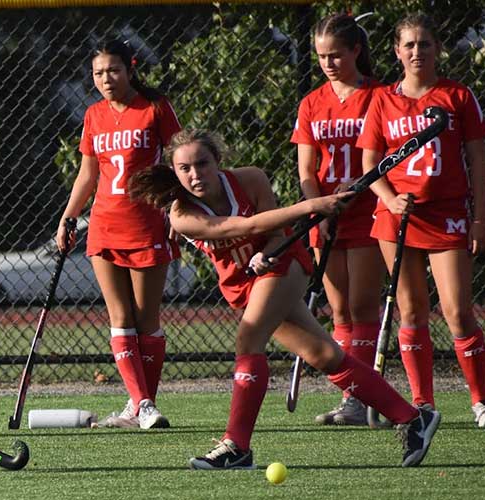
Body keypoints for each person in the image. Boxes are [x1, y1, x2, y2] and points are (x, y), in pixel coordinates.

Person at [128, 129, 440, 469]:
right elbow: (242, 227)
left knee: (248, 341)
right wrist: (312, 206)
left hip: (284, 266)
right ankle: (412, 418)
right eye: (184, 168)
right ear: (174, 171)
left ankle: (236, 447)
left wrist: (268, 252)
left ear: (217, 161)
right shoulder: (182, 215)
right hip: (242, 285)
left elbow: (275, 234)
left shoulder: (251, 179)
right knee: (324, 356)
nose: (195, 174)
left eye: (202, 164)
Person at [356, 13, 485, 428]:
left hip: (447, 214)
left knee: (457, 311)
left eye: (424, 43)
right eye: (409, 45)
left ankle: (483, 402)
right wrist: (389, 199)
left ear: (437, 48)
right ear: (397, 51)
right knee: (412, 311)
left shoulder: (457, 95)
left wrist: (479, 220)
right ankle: (422, 403)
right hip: (397, 217)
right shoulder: (382, 100)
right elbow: (371, 164)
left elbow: (477, 162)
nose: (417, 51)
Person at [57, 39, 182, 429]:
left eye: (113, 70)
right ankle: (142, 405)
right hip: (104, 225)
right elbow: (87, 175)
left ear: (130, 68)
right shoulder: (93, 115)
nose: (106, 79)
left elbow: (180, 162)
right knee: (119, 317)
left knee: (147, 320)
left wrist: (178, 211)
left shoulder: (155, 108)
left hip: (146, 224)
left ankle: (140, 405)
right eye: (98, 73)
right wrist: (68, 217)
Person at [291, 13, 386, 426]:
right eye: (321, 56)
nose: (328, 63)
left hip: (367, 211)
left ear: (356, 51)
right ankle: (352, 396)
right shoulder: (312, 103)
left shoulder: (379, 95)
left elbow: (389, 154)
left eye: (336, 55)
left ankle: (361, 398)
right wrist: (319, 209)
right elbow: (306, 169)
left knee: (363, 307)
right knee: (340, 310)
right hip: (327, 214)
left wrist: (360, 186)